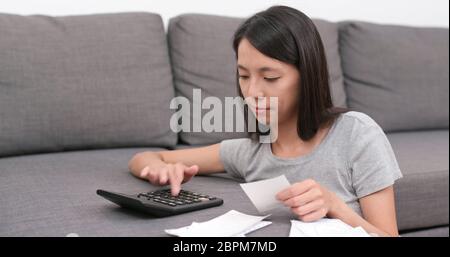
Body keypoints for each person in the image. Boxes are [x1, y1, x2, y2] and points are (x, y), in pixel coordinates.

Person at [128, 6, 403, 236]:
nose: (252, 92)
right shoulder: (251, 153)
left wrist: (335, 205)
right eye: (244, 76)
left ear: (307, 75)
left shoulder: (356, 134)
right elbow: (146, 157)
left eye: (270, 78)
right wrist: (158, 169)